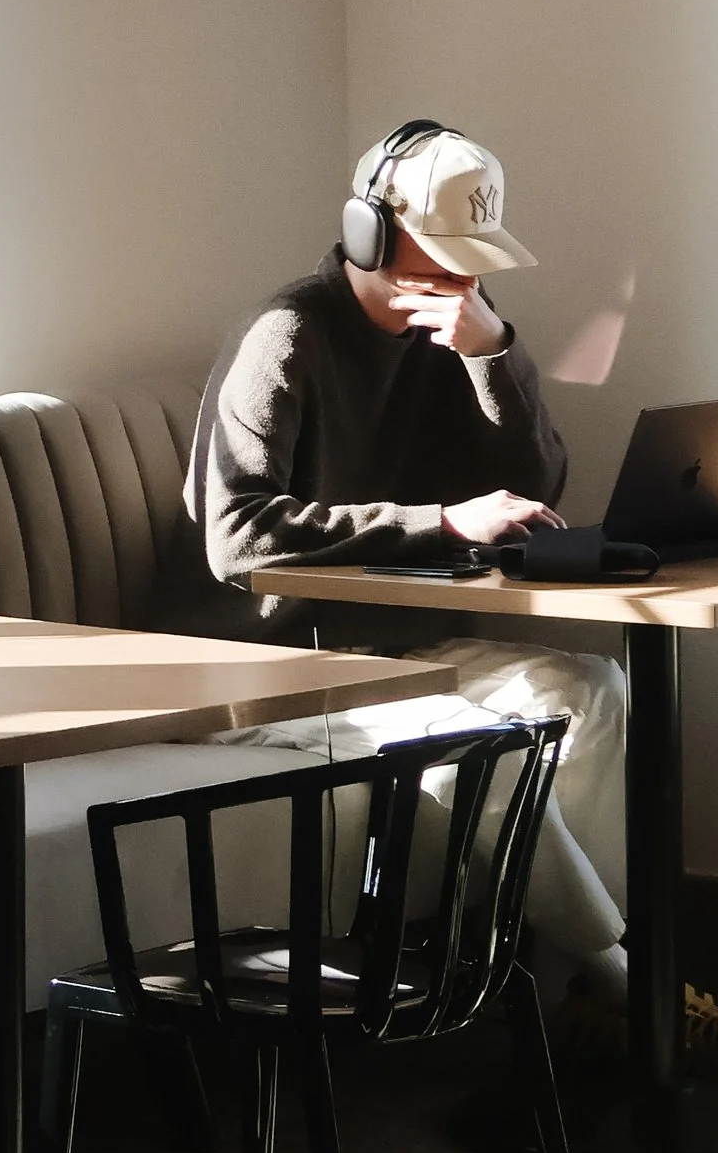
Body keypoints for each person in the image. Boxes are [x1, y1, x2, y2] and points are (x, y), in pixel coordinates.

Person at [189, 122, 629, 999]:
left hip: (395, 652)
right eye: (442, 254)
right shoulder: (287, 335)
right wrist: (445, 523)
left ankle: (543, 987)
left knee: (593, 690)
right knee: (493, 749)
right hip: (272, 663)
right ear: (370, 232)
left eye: (474, 259)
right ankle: (614, 973)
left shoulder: (456, 333)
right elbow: (236, 536)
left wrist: (493, 356)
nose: (463, 279)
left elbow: (536, 484)